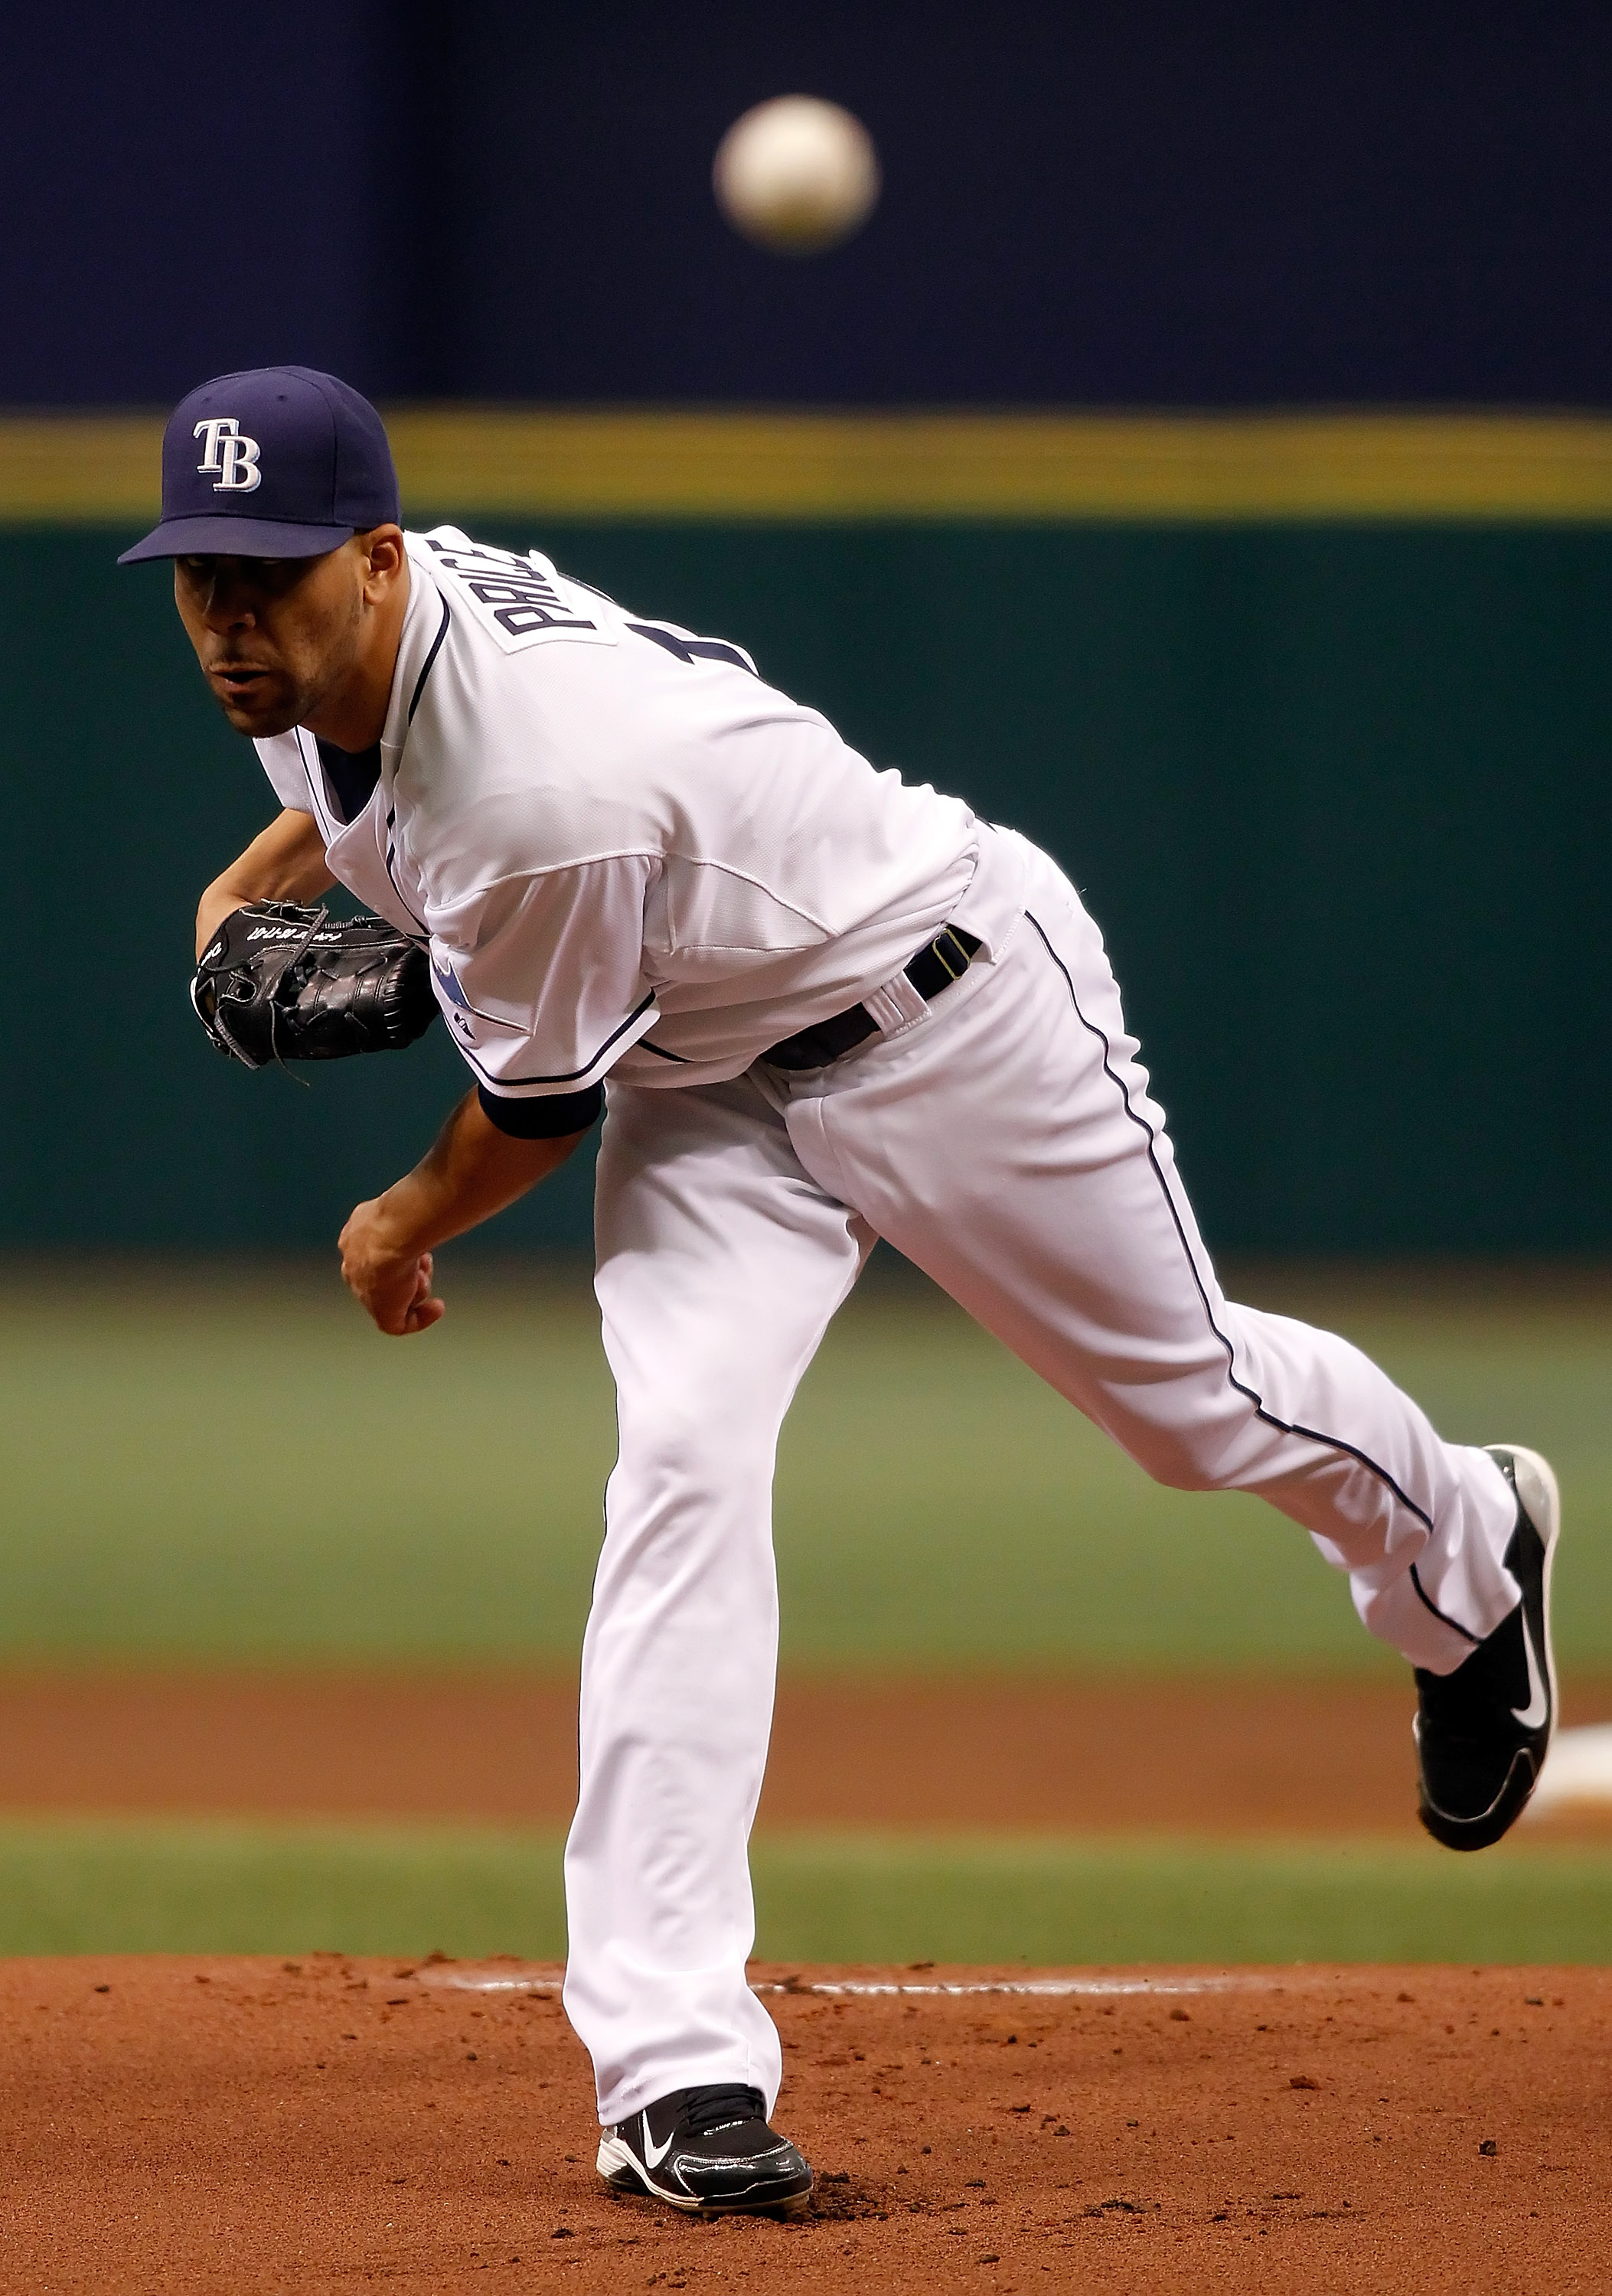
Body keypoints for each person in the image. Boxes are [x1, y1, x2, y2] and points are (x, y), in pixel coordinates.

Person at [123, 367, 1560, 2218]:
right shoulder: (324, 652)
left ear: (380, 559)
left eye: (273, 577)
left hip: (948, 1008)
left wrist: (399, 1225)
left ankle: (1463, 1548)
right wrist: (228, 913)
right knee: (684, 1471)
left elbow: (528, 1110)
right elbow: (335, 811)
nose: (233, 621)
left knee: (1192, 1407)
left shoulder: (536, 787)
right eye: (201, 578)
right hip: (713, 1069)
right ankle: (676, 2072)